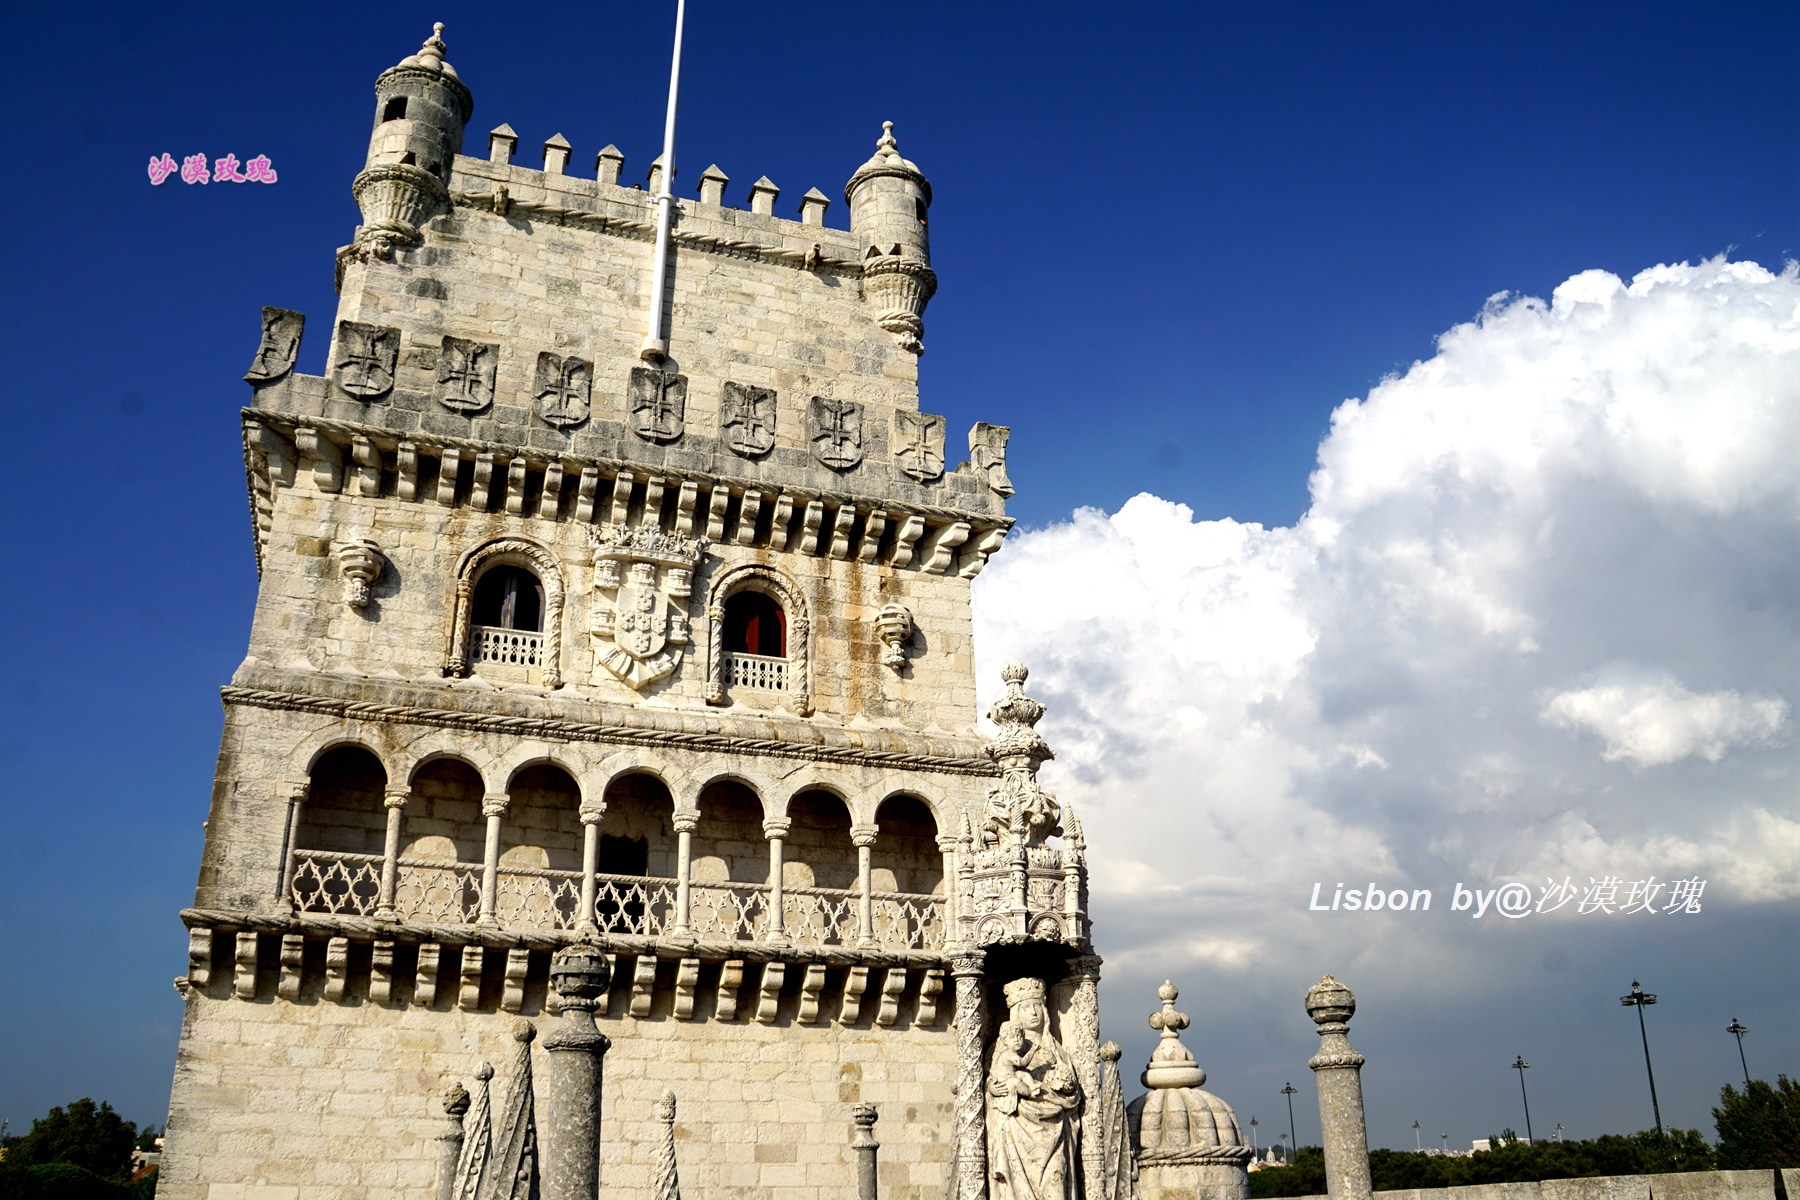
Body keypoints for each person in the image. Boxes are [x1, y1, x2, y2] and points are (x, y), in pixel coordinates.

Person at [987, 978, 1080, 1200]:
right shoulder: (1001, 1048)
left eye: (1037, 1006)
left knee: (1057, 1177)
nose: (1033, 1013)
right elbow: (991, 1080)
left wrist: (1064, 1087)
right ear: (1016, 1012)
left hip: (1055, 1126)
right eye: (1026, 1007)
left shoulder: (1055, 1049)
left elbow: (1073, 1092)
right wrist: (994, 1088)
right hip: (1017, 1126)